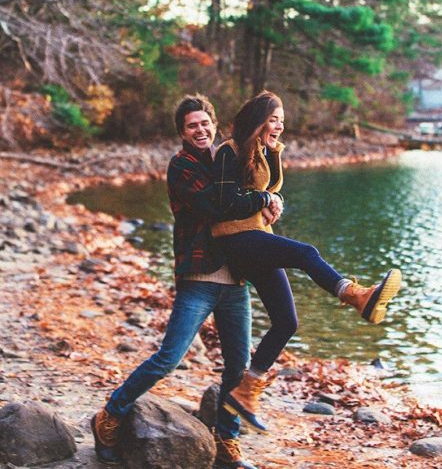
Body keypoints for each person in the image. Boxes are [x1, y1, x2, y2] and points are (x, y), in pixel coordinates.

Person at [91, 94, 273, 469]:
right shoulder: (181, 166)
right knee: (168, 358)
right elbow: (216, 207)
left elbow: (250, 209)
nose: (200, 130)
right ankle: (110, 415)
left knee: (238, 366)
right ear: (182, 133)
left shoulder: (231, 160)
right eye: (192, 126)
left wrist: (270, 200)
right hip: (199, 276)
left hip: (236, 279)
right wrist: (261, 199)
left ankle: (226, 439)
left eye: (205, 123)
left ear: (214, 123)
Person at [211, 90, 402, 433]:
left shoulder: (268, 153)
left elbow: (259, 198)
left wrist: (273, 203)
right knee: (306, 253)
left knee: (287, 322)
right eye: (273, 118)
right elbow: (225, 202)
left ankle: (246, 391)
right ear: (256, 120)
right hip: (233, 240)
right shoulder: (230, 151)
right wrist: (265, 198)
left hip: (257, 238)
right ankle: (355, 295)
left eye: (282, 119)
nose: (280, 125)